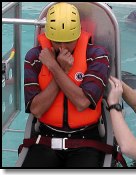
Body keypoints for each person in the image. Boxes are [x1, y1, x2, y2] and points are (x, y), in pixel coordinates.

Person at [22, 2, 110, 167]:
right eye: (56, 42)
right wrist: (62, 70)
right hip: (45, 138)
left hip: (86, 140)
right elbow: (36, 109)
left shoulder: (97, 56)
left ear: (78, 34)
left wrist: (55, 67)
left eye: (69, 41)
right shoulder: (34, 57)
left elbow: (82, 102)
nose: (62, 48)